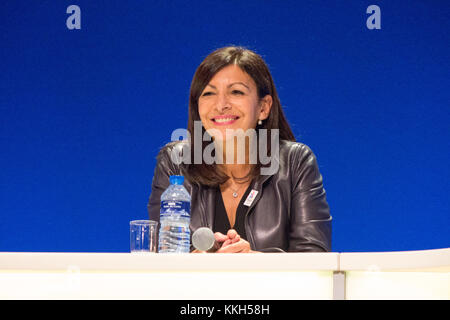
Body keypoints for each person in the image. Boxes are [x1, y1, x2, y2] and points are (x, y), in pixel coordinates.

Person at [147, 46, 331, 253]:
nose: (221, 105)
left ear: (263, 107)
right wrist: (195, 260)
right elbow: (159, 255)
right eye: (208, 93)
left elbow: (314, 256)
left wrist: (254, 260)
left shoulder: (296, 162)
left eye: (236, 92)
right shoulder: (175, 162)